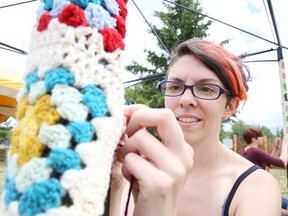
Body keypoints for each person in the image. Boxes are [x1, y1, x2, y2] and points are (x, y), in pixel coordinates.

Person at [110, 38, 283, 216]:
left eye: (206, 89)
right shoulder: (130, 167)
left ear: (230, 106)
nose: (185, 100)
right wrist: (114, 186)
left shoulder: (256, 188)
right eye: (175, 86)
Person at [241, 127, 288, 215]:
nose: (262, 138)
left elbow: (270, 162)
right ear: (254, 139)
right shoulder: (255, 152)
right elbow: (282, 163)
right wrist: (285, 145)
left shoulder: (247, 152)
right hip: (261, 192)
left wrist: (276, 149)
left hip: (256, 191)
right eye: (260, 136)